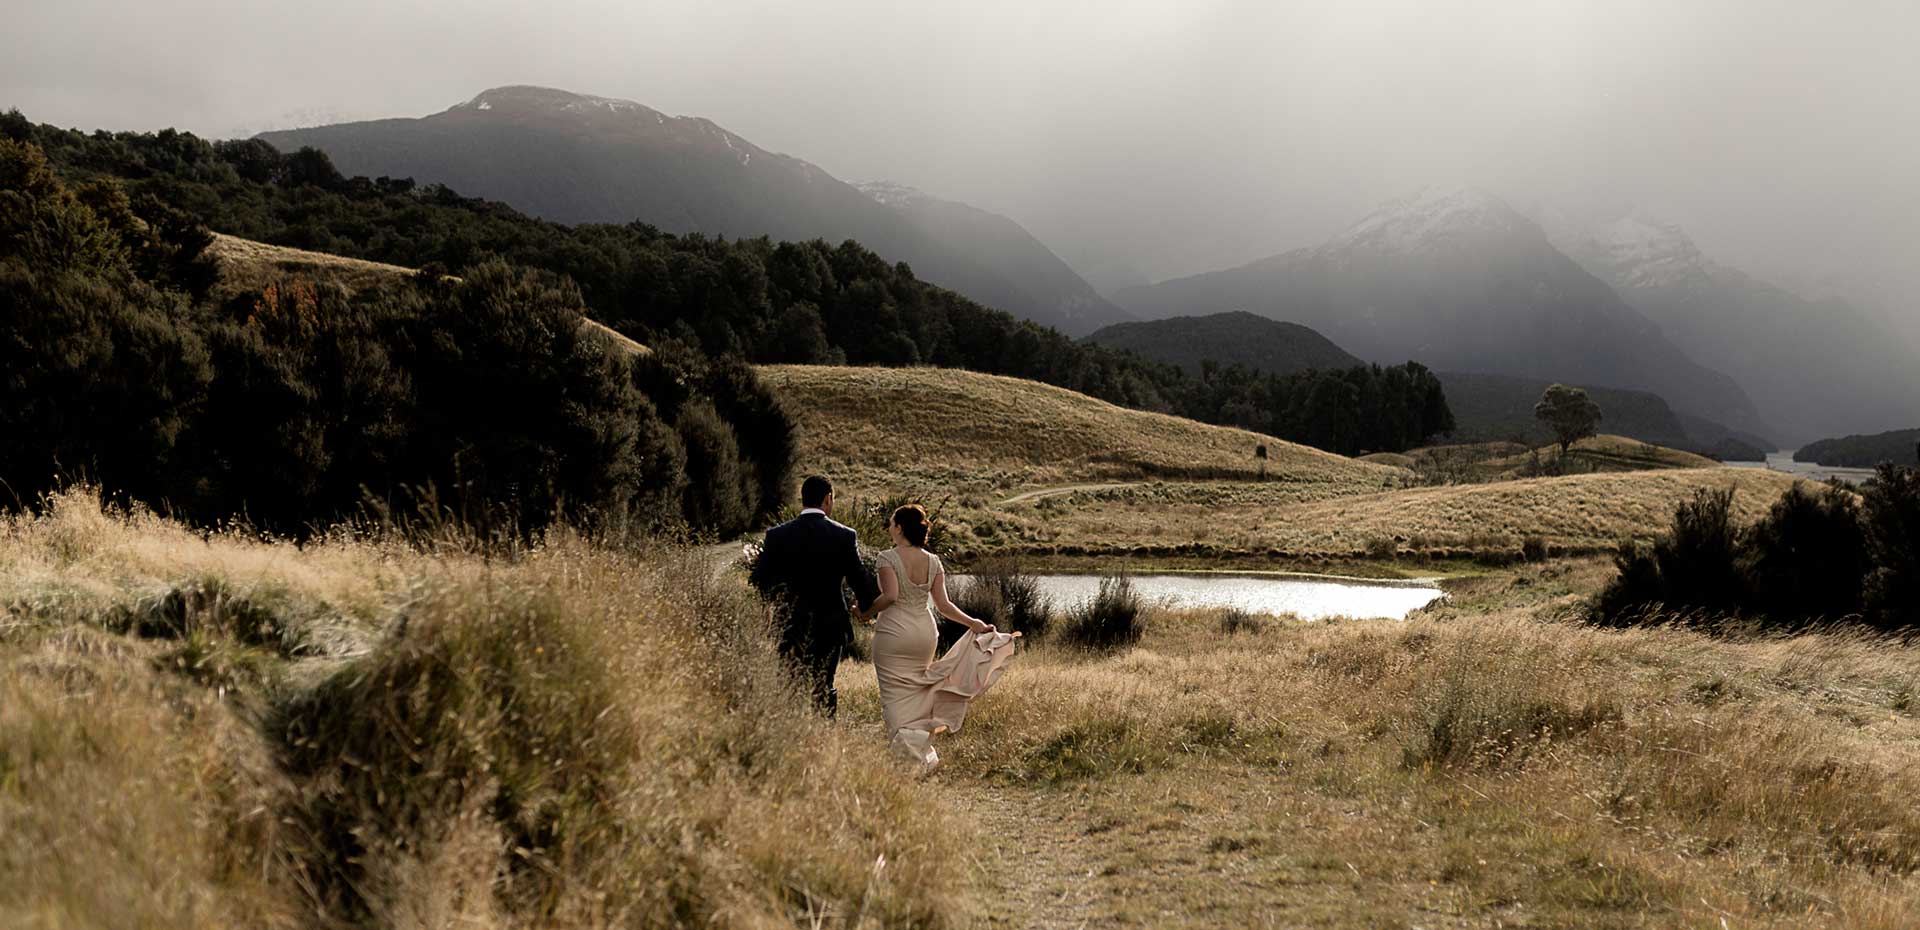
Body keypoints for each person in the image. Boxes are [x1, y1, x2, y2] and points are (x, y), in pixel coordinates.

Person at [866, 504, 1019, 769]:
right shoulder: (933, 561)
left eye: (891, 523)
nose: (889, 528)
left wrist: (865, 611)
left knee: (894, 698)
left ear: (900, 528)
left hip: (894, 634)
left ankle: (907, 760)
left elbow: (889, 597)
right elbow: (944, 605)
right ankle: (918, 754)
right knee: (919, 690)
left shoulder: (887, 558)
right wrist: (973, 623)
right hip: (924, 633)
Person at [748, 475, 878, 717]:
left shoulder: (777, 535)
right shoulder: (844, 535)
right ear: (828, 498)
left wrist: (771, 606)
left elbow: (760, 580)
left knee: (790, 684)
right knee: (824, 685)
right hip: (830, 625)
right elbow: (859, 579)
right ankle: (823, 738)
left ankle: (791, 735)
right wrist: (866, 608)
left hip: (789, 623)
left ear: (803, 499)